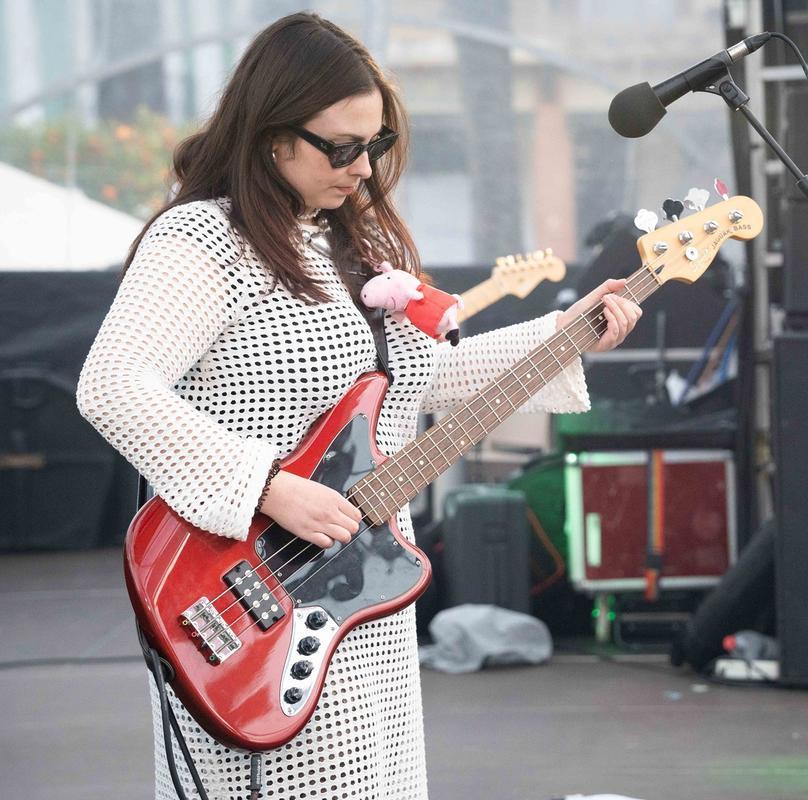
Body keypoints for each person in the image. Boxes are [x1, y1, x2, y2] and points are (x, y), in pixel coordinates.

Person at [76, 12, 641, 800]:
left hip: (358, 592)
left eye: (375, 144)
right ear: (270, 135)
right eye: (340, 148)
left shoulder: (360, 246)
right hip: (245, 597)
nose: (364, 167)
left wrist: (565, 334)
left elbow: (427, 381)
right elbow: (113, 386)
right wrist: (270, 489)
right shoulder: (204, 240)